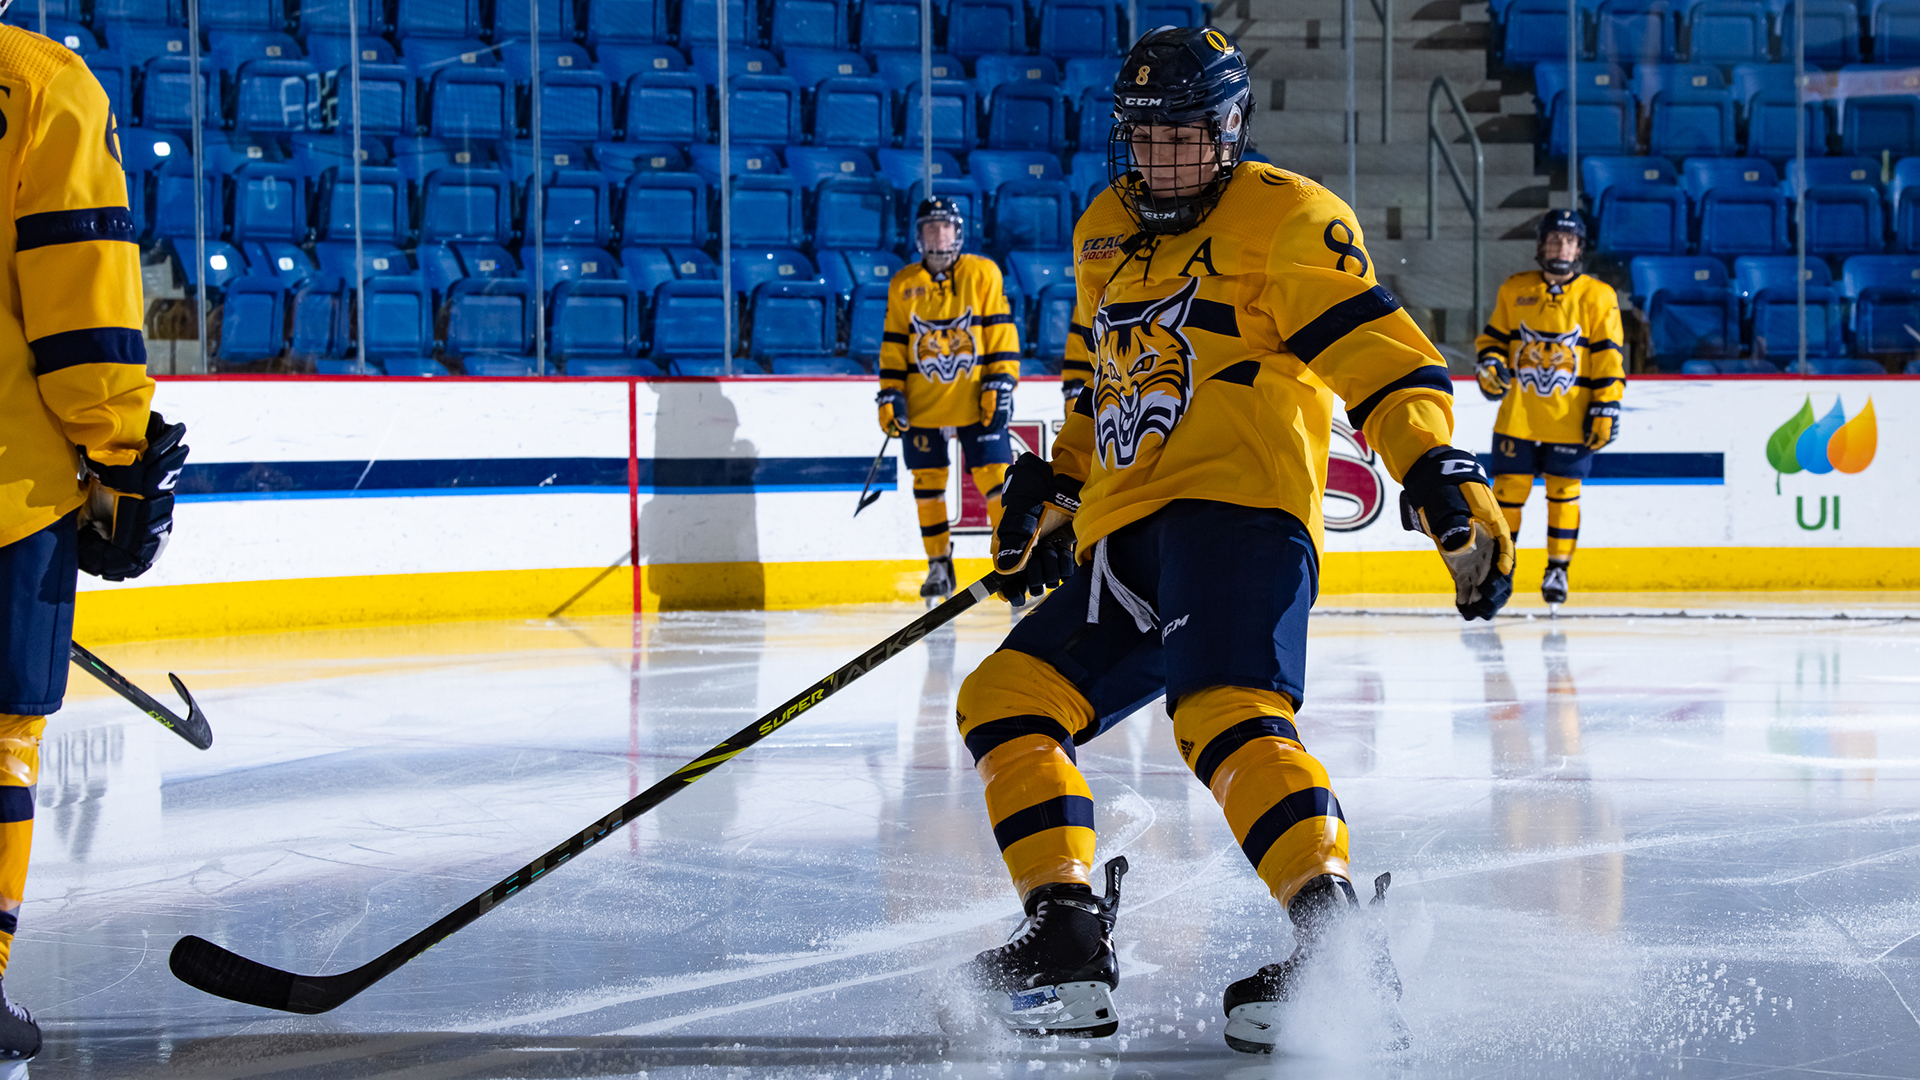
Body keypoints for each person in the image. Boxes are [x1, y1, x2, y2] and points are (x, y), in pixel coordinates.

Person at [952, 25, 1514, 1054]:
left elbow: (1380, 358)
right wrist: (1056, 490)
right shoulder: (1102, 230)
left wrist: (1435, 469)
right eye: (1146, 136)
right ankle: (1067, 938)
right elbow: (1100, 384)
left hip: (1240, 516)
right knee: (1005, 700)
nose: (1164, 156)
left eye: (1186, 134)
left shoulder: (1291, 218)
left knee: (1220, 711)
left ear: (1231, 128)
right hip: (1131, 533)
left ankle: (1337, 942)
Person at [0, 15, 189, 1062]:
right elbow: (80, 306)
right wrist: (118, 460)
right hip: (8, 485)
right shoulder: (38, 82)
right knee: (0, 741)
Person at [1472, 210, 1625, 608]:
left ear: (1580, 248)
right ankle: (1499, 570)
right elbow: (1493, 340)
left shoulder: (1598, 295)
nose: (1561, 247)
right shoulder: (1515, 288)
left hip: (1571, 419)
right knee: (1506, 495)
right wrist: (1489, 364)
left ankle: (1558, 569)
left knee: (1564, 493)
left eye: (1569, 241)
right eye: (1554, 239)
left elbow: (1609, 356)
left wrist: (1607, 405)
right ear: (1541, 245)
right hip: (1518, 416)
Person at [876, 198, 1021, 602]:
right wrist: (890, 392)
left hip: (977, 400)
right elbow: (893, 345)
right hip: (923, 405)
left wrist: (1002, 382)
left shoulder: (983, 272)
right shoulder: (904, 283)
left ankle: (1012, 562)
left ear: (958, 232)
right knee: (927, 485)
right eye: (930, 228)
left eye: (945, 227)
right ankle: (938, 563)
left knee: (997, 481)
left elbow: (1001, 331)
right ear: (918, 235)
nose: (938, 235)